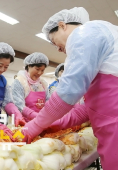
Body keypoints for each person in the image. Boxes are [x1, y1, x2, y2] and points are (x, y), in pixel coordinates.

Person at [22, 6, 118, 169]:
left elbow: (68, 92)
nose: (58, 49)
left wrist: (35, 125)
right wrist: (57, 123)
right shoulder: (100, 36)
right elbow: (88, 108)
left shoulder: (84, 33)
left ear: (62, 25)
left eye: (54, 42)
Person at [11, 52, 49, 122]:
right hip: (24, 122)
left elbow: (48, 102)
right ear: (29, 66)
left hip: (41, 122)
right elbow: (19, 105)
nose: (40, 73)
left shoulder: (43, 83)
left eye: (42, 70)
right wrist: (36, 116)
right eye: (37, 69)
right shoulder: (20, 81)